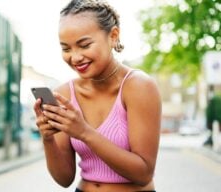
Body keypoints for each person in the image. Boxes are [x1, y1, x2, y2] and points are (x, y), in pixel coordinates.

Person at [33, 0, 161, 191]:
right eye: (66, 49)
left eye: (84, 45)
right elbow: (64, 179)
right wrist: (48, 138)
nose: (75, 57)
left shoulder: (138, 86)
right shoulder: (64, 94)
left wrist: (84, 132)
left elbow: (143, 174)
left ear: (113, 36)